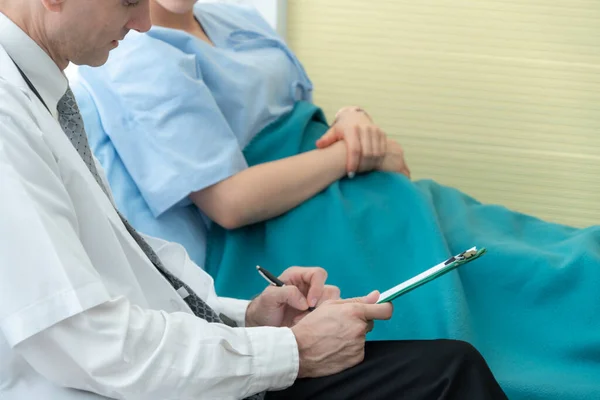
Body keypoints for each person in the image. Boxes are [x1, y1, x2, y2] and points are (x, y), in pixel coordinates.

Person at [71, 2, 600, 399]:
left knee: (552, 253)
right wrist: (351, 156)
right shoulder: (133, 55)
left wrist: (350, 118)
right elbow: (228, 201)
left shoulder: (226, 16)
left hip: (358, 194)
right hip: (285, 224)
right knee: (527, 286)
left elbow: (299, 107)